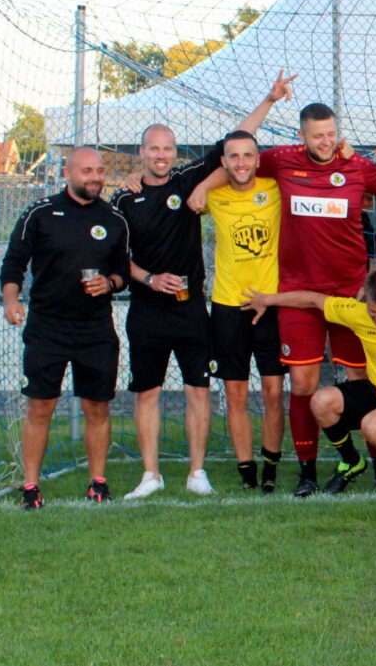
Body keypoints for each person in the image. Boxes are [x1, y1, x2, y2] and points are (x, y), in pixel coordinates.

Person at [196, 90, 376, 496]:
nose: (325, 141)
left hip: (350, 294)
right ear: (302, 135)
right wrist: (207, 182)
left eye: (331, 133)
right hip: (297, 294)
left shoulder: (356, 166)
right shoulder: (281, 159)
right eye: (317, 135)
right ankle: (308, 471)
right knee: (303, 384)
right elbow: (238, 149)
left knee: (361, 378)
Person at [1, 147, 131, 508]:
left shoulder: (115, 219)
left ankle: (98, 482)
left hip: (95, 330)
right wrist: (11, 301)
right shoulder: (41, 213)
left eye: (100, 171)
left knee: (98, 408)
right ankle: (30, 487)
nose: (95, 177)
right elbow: (14, 261)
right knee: (40, 408)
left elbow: (123, 271)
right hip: (47, 328)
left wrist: (110, 283)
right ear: (69, 173)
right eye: (87, 170)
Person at [244, 268, 376, 494]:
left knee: (372, 426)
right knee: (321, 401)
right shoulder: (356, 312)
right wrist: (268, 299)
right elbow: (314, 300)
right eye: (374, 312)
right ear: (366, 300)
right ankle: (352, 460)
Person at [113, 123, 225, 499]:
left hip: (190, 309)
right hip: (146, 310)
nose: (161, 155)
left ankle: (197, 472)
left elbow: (232, 145)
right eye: (153, 149)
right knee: (148, 393)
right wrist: (149, 278)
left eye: (168, 149)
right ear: (141, 152)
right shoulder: (123, 199)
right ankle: (150, 475)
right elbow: (116, 257)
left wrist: (270, 101)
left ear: (175, 152)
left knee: (199, 391)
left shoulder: (186, 181)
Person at [204, 129, 286, 492]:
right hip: (227, 308)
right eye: (233, 157)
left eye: (247, 156)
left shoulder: (275, 189)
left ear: (257, 159)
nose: (241, 163)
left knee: (272, 392)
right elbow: (175, 193)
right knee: (235, 395)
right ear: (223, 162)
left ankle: (270, 467)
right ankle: (246, 468)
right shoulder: (211, 195)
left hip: (268, 306)